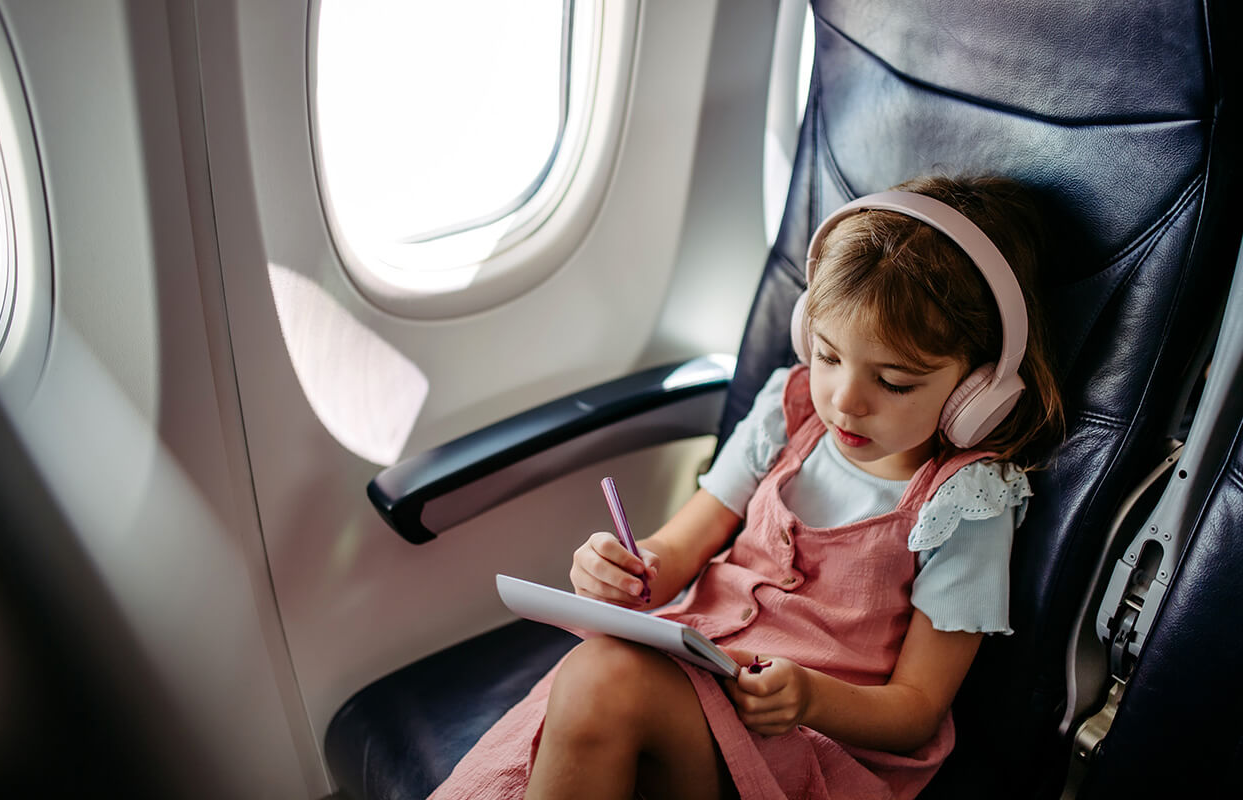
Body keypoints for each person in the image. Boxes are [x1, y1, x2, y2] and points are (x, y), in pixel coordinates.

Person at [430, 175, 1066, 800]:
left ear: (975, 393)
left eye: (895, 382)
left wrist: (811, 697)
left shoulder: (967, 502)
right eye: (828, 355)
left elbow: (917, 711)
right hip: (689, 681)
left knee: (600, 680)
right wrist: (629, 570)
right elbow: (681, 545)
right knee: (594, 685)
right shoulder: (784, 414)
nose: (845, 401)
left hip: (803, 739)